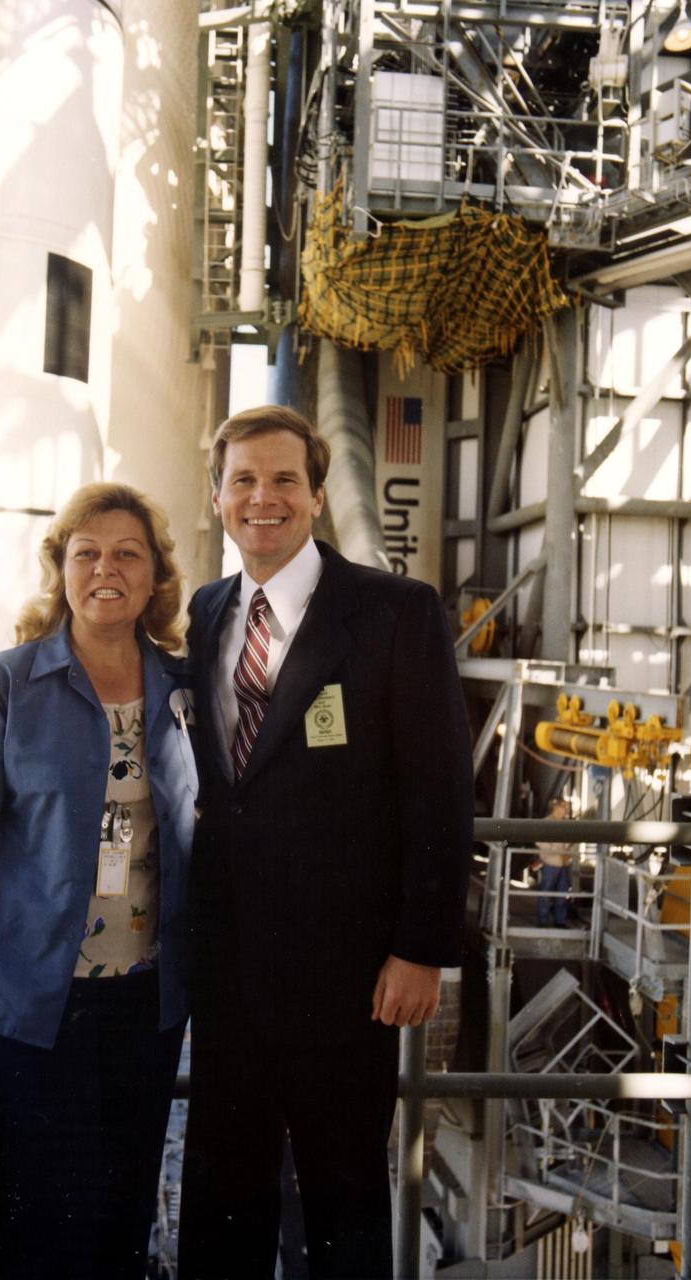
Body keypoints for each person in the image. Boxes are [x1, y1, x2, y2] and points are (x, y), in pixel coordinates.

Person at [178, 405, 473, 1279]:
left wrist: (420, 950)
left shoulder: (393, 613)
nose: (260, 499)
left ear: (314, 496)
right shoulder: (205, 613)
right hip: (227, 975)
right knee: (220, 1201)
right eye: (242, 481)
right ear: (219, 497)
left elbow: (440, 795)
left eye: (281, 481)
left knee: (344, 1201)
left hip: (346, 981)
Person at [0, 482, 197, 1279]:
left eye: (126, 554)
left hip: (146, 1004)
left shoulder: (181, 691)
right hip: (33, 1012)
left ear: (152, 578)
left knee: (120, 1218)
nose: (105, 569)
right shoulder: (4, 686)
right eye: (87, 554)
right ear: (62, 571)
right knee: (41, 1228)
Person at [533, 796, 574, 928]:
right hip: (550, 862)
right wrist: (556, 850)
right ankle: (543, 920)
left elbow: (572, 841)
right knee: (546, 891)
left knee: (562, 892)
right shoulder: (545, 823)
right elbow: (539, 841)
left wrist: (569, 852)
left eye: (566, 807)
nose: (566, 810)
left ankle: (560, 920)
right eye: (563, 807)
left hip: (564, 863)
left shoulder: (568, 824)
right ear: (555, 807)